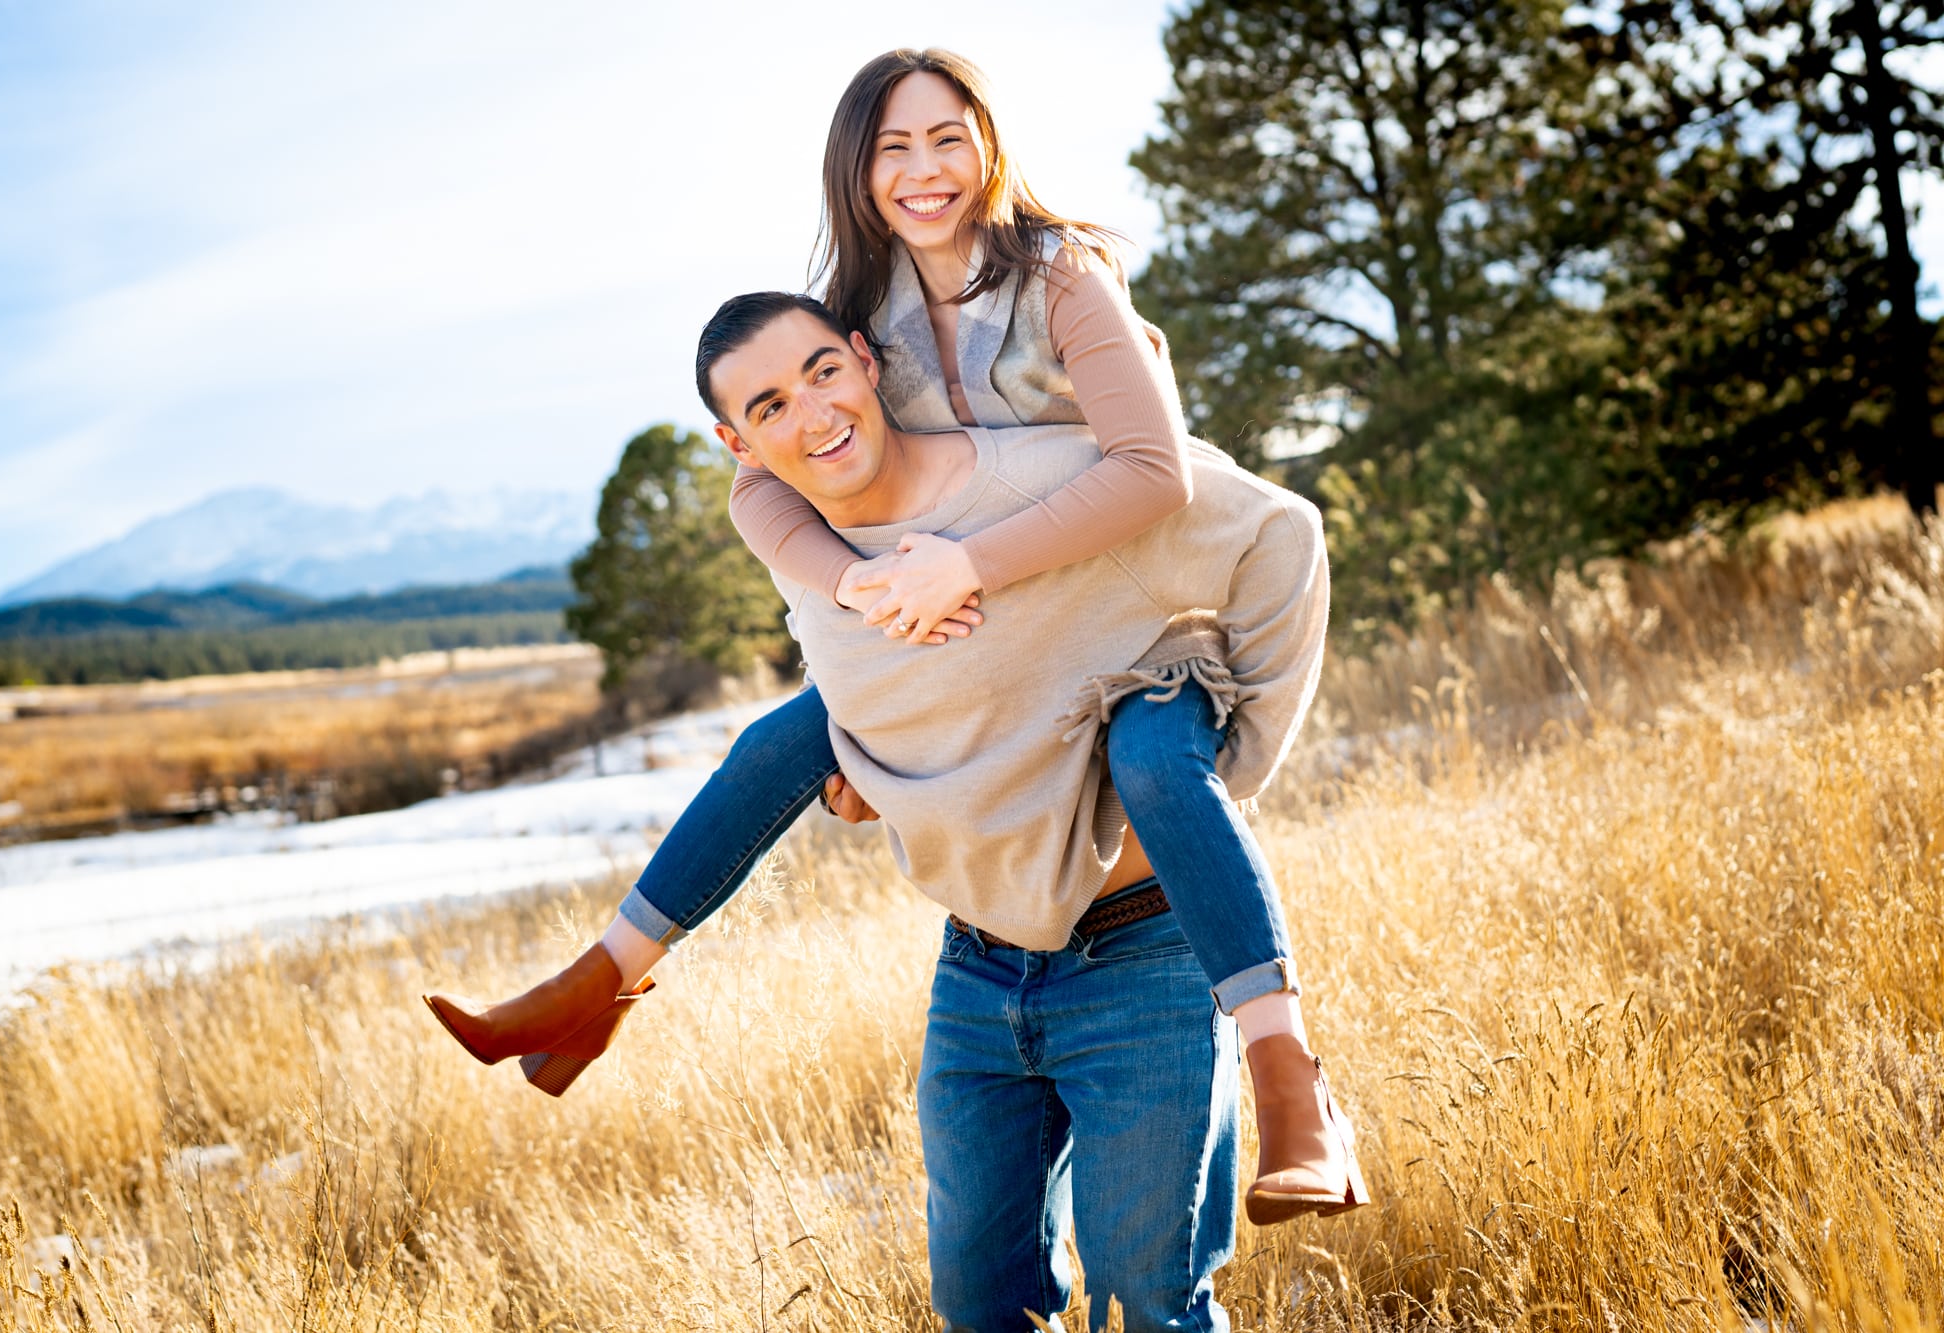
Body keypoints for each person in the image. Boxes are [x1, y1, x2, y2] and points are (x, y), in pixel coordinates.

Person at [423, 47, 1366, 1229]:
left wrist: (962, 564)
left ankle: (1291, 1080)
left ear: (989, 142)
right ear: (855, 174)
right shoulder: (855, 320)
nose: (925, 170)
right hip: (982, 637)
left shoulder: (1059, 276)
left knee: (1151, 761)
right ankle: (595, 984)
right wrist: (864, 602)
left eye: (946, 137)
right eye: (892, 148)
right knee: (781, 744)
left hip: (1131, 607)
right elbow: (763, 490)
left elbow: (1152, 472)